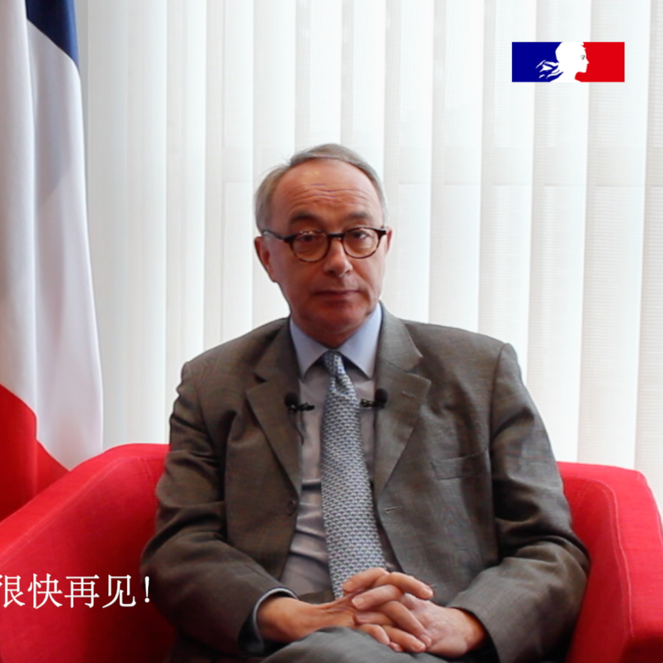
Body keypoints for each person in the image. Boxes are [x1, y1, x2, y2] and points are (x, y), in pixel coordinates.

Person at [141, 144, 587, 663]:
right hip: (286, 647)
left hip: (436, 645)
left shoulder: (480, 370)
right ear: (267, 256)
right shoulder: (213, 383)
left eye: (358, 235)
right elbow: (180, 548)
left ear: (384, 244)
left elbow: (550, 549)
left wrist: (464, 623)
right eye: (308, 238)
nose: (339, 262)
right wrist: (293, 617)